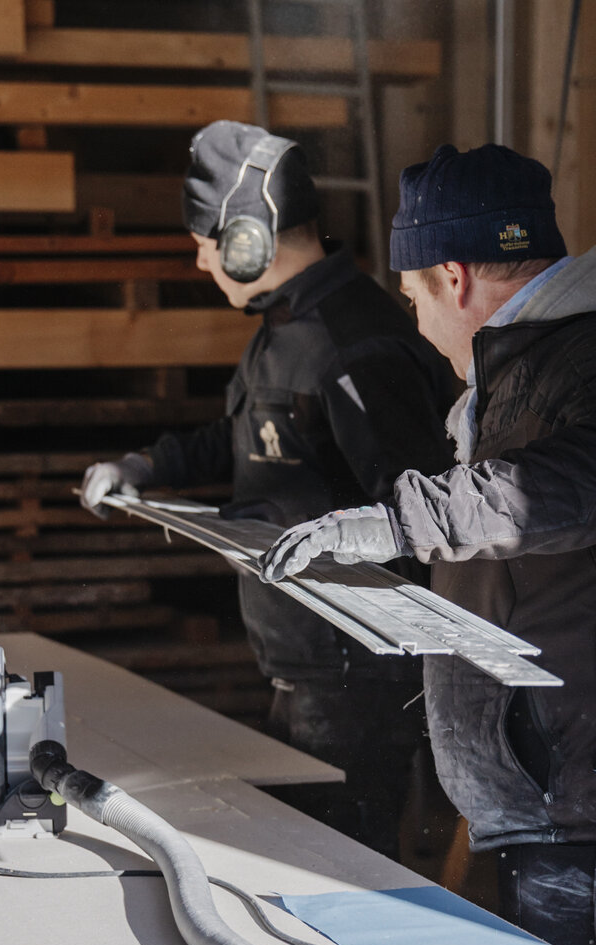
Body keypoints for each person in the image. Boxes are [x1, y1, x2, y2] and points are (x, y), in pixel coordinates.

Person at [259, 143, 596, 945]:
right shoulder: (541, 362)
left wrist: (398, 520)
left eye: (411, 297)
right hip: (570, 804)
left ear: (452, 277)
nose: (414, 321)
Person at [80, 121, 455, 859]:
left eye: (207, 239)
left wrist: (292, 527)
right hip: (306, 670)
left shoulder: (354, 344)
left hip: (354, 677)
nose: (198, 258)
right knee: (302, 860)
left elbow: (418, 511)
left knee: (341, 873)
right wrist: (146, 468)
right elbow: (245, 438)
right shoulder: (285, 328)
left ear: (251, 235)